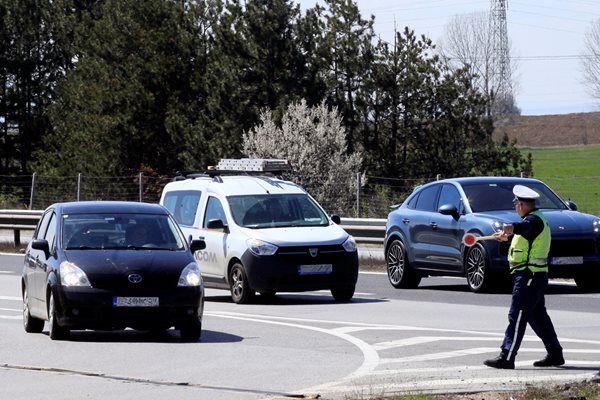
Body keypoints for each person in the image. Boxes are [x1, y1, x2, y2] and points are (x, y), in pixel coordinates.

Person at [483, 184, 564, 370]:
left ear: (521, 204)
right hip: (533, 275)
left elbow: (523, 228)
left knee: (517, 315)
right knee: (538, 317)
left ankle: (507, 356)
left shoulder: (533, 221)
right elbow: (526, 238)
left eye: (516, 203)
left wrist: (511, 227)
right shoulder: (534, 221)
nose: (514, 207)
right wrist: (506, 238)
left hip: (529, 276)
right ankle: (555, 354)